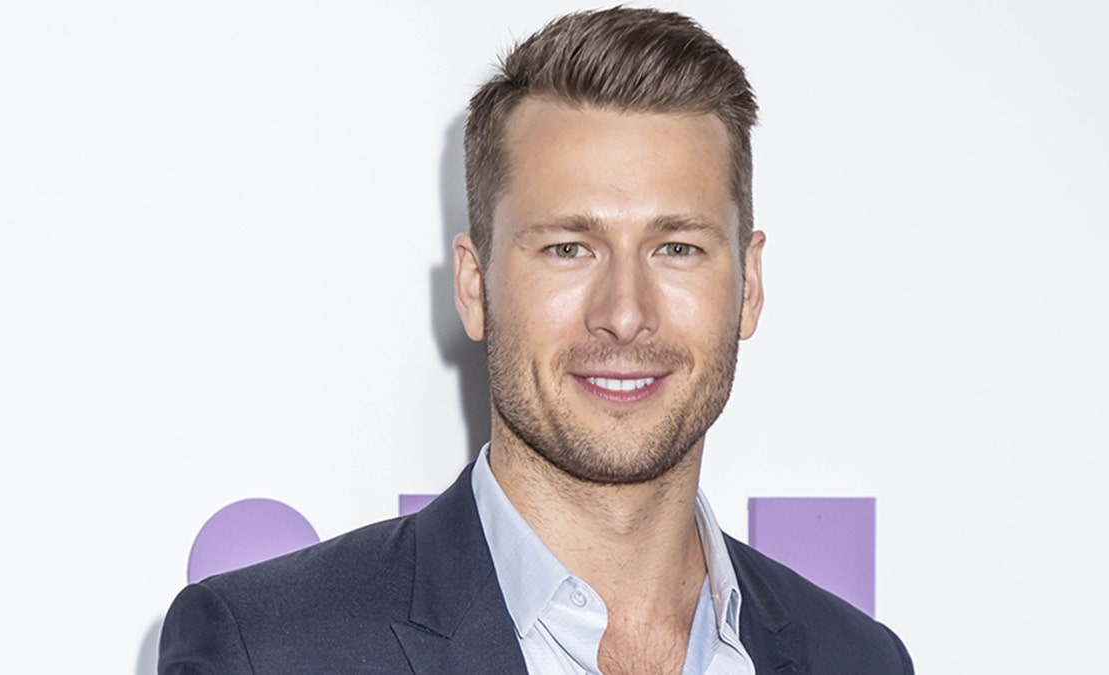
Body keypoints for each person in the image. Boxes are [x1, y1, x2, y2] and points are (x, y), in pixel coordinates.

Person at [159, 7, 913, 674]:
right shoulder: (269, 649)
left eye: (676, 247)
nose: (624, 313)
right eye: (568, 248)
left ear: (747, 284)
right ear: (474, 284)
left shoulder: (858, 657)